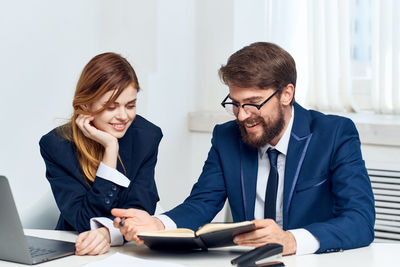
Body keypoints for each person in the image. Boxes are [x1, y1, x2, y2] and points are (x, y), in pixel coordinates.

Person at [111, 42, 375, 255]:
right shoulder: (226, 137)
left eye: (253, 103)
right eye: (235, 103)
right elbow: (201, 204)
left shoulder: (333, 134)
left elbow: (360, 220)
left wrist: (291, 241)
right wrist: (158, 224)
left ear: (286, 94)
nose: (241, 116)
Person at [39, 52, 162, 255]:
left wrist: (106, 232)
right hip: (77, 248)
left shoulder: (147, 136)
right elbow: (84, 221)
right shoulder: (56, 145)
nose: (123, 116)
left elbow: (140, 209)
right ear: (85, 105)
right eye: (111, 107)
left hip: (130, 249)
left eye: (130, 105)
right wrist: (110, 150)